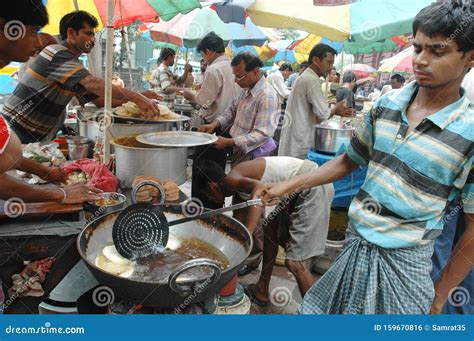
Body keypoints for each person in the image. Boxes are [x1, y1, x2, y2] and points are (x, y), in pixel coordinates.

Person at [254, 0, 473, 314]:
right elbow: (347, 161)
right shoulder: (387, 105)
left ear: (470, 57)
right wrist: (286, 186)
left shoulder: (468, 133)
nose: (421, 61)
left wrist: (440, 296)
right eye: (417, 49)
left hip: (406, 264)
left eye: (437, 51)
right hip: (354, 248)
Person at [2, 11, 160, 144]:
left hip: (33, 138)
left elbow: (99, 99)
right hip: (15, 130)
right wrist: (136, 97)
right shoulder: (56, 52)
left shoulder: (73, 66)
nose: (92, 39)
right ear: (71, 33)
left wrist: (137, 98)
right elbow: (92, 83)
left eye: (93, 35)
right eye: (88, 34)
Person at [0, 1, 101, 204]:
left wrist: (46, 172)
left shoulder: (72, 65)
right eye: (33, 32)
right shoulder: (57, 53)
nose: (38, 43)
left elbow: (6, 158)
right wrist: (60, 194)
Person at [196, 156, 334, 305]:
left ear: (211, 186)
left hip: (312, 186)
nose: (212, 199)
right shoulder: (237, 184)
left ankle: (320, 313)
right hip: (296, 190)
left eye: (209, 195)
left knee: (295, 263)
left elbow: (259, 190)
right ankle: (262, 289)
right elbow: (241, 219)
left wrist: (247, 234)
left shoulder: (232, 179)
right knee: (270, 230)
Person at [183, 32, 242, 209]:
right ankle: (215, 208)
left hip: (211, 127)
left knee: (203, 168)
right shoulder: (234, 66)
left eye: (202, 55)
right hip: (228, 126)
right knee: (217, 166)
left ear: (208, 51)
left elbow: (203, 101)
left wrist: (189, 94)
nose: (204, 59)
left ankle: (201, 210)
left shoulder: (214, 69)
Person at [198, 52, 278, 167]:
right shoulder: (247, 89)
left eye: (240, 76)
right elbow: (232, 110)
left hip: (252, 154)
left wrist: (229, 142)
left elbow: (262, 134)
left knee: (242, 183)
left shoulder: (266, 96)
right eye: (235, 76)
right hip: (238, 149)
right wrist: (214, 124)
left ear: (255, 71)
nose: (236, 81)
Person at [278, 44, 355, 160]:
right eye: (329, 62)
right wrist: (336, 108)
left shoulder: (307, 77)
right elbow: (323, 113)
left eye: (332, 63)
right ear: (315, 60)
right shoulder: (311, 79)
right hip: (300, 140)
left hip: (295, 137)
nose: (331, 67)